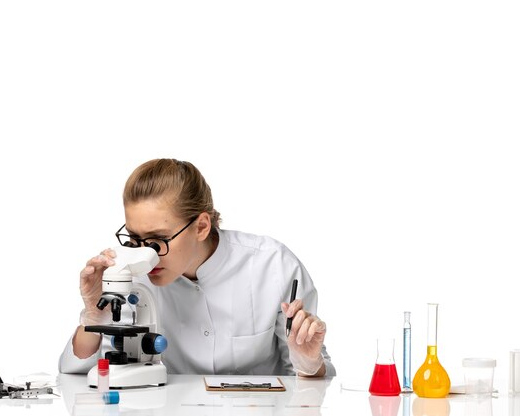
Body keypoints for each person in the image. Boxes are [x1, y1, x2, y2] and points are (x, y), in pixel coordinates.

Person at [58, 158, 335, 377]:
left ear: (201, 226)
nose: (144, 253)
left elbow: (312, 388)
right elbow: (76, 371)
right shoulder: (132, 274)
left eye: (156, 241)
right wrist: (94, 316)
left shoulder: (273, 266)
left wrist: (309, 363)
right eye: (134, 239)